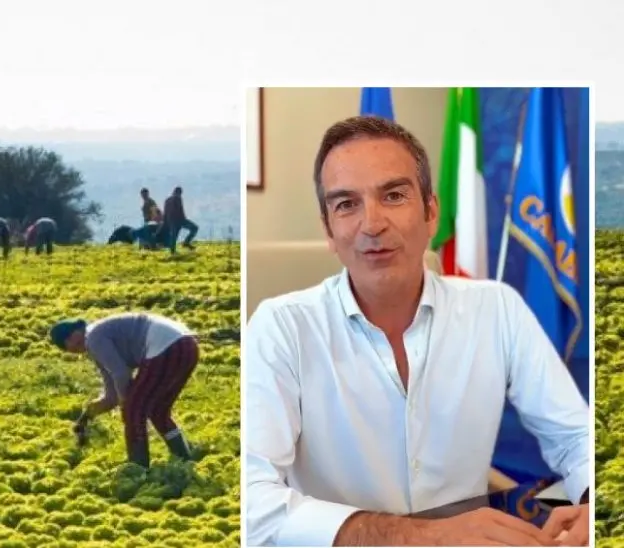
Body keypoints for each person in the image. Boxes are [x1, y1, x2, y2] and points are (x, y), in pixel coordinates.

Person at [243, 115, 590, 547]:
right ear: (329, 230)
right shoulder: (280, 328)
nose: (372, 224)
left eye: (393, 195)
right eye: (346, 204)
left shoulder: (497, 309)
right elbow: (253, 506)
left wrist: (595, 504)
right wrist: (426, 536)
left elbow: (577, 436)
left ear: (430, 212)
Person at [49, 312, 199, 468]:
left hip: (167, 348)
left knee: (133, 411)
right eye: (65, 346)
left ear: (77, 331)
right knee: (158, 411)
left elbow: (121, 374)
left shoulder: (93, 337)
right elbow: (111, 395)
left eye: (67, 340)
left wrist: (126, 402)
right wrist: (87, 416)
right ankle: (185, 460)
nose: (71, 347)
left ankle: (138, 470)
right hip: (187, 346)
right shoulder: (97, 343)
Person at [162, 186, 198, 253]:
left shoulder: (167, 200)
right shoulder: (177, 199)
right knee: (194, 228)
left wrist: (165, 223)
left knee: (174, 236)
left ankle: (174, 250)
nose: (179, 195)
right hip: (179, 220)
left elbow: (165, 213)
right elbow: (180, 210)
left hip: (172, 221)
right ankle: (185, 243)